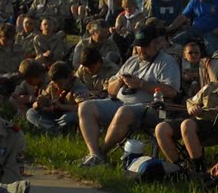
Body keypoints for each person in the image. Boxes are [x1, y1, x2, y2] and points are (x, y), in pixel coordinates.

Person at [77, 27, 181, 167]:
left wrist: (141, 84)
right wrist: (120, 81)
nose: (140, 50)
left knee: (123, 112)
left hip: (150, 109)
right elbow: (111, 91)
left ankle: (101, 154)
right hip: (120, 102)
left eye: (144, 46)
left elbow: (171, 91)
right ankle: (94, 154)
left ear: (156, 44)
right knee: (86, 107)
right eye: (138, 46)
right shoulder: (132, 61)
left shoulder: (166, 62)